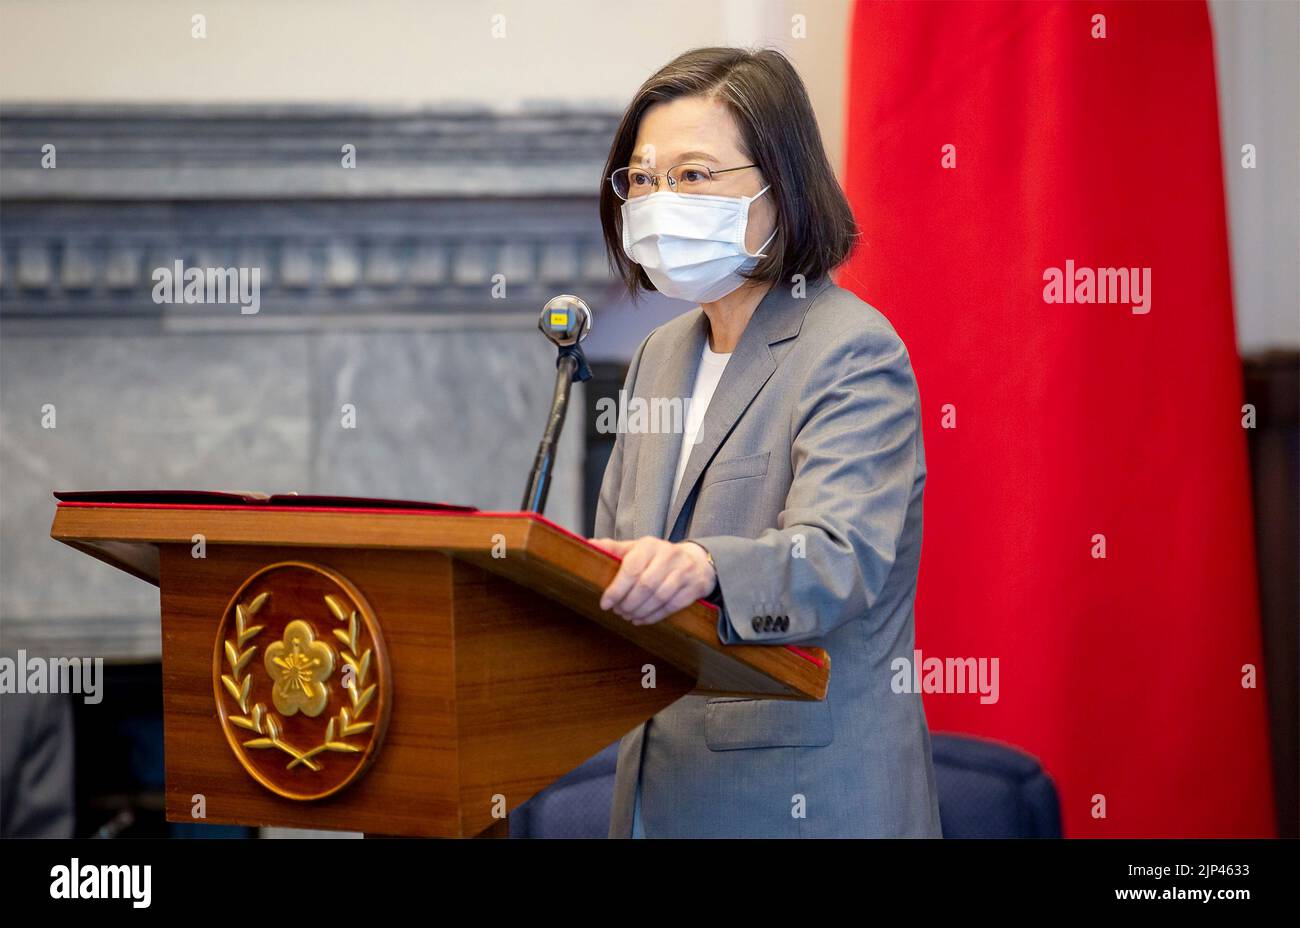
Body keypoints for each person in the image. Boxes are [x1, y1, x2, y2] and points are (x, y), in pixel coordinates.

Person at [589, 46, 941, 838]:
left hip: (802, 801)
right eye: (640, 179)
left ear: (781, 189)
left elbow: (840, 557)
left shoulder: (851, 348)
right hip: (655, 791)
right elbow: (613, 558)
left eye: (692, 175)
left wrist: (706, 565)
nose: (657, 200)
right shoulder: (658, 355)